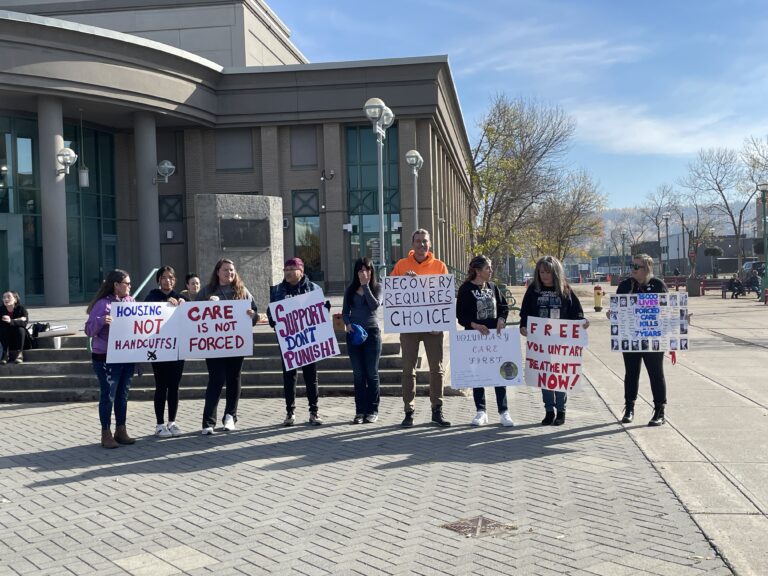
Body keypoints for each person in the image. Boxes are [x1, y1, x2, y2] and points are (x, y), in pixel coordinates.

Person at [519, 255, 589, 426]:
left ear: (555, 272)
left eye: (548, 272)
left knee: (559, 376)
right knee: (544, 377)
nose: (544, 275)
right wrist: (523, 326)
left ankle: (561, 410)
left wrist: (582, 323)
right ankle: (549, 410)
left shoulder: (565, 290)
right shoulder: (533, 290)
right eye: (541, 272)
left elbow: (577, 314)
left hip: (562, 344)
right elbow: (525, 312)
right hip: (540, 344)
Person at [391, 228, 451, 427]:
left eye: (424, 241)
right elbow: (392, 294)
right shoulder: (401, 265)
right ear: (412, 244)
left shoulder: (440, 266)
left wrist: (441, 323)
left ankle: (437, 409)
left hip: (433, 327)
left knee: (437, 369)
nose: (421, 244)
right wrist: (403, 282)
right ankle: (409, 410)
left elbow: (444, 299)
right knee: (408, 369)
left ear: (430, 244)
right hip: (409, 326)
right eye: (417, 241)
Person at [197, 258, 257, 435]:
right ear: (217, 272)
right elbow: (193, 315)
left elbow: (254, 315)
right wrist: (206, 307)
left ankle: (230, 416)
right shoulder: (207, 291)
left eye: (231, 270)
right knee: (216, 380)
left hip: (236, 344)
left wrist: (251, 315)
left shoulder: (242, 291)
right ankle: (208, 421)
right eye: (225, 270)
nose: (229, 273)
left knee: (234, 379)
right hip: (214, 345)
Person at [455, 255, 514, 427]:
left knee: (499, 374)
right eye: (488, 268)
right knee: (478, 375)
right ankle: (481, 411)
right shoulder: (465, 289)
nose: (491, 271)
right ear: (478, 271)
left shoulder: (493, 287)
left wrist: (502, 319)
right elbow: (461, 315)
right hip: (474, 338)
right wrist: (473, 324)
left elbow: (503, 307)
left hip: (494, 338)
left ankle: (504, 412)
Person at [612, 254, 669, 426]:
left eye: (637, 267)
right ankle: (629, 407)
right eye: (632, 266)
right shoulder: (624, 285)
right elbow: (617, 308)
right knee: (631, 373)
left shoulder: (658, 285)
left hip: (653, 338)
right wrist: (613, 313)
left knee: (656, 373)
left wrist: (679, 317)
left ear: (647, 268)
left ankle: (660, 410)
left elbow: (668, 308)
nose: (633, 270)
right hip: (630, 337)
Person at [268, 257, 326, 426]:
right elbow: (271, 312)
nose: (287, 273)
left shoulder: (313, 289)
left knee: (311, 376)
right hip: (288, 341)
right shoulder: (278, 290)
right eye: (285, 270)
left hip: (309, 339)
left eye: (291, 270)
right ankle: (290, 412)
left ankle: (314, 412)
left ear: (301, 272)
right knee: (289, 377)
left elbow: (320, 311)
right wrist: (273, 320)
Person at [84, 270, 136, 449]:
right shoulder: (102, 304)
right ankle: (105, 433)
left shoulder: (130, 301)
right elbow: (89, 330)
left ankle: (121, 430)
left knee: (122, 395)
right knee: (109, 395)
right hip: (105, 357)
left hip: (126, 355)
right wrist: (101, 321)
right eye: (127, 283)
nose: (130, 286)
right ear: (116, 285)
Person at [145, 266, 186, 438]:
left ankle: (172, 422)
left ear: (174, 280)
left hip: (177, 349)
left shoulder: (181, 297)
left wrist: (184, 306)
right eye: (163, 277)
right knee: (161, 385)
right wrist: (165, 305)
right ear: (158, 280)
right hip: (159, 349)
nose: (167, 280)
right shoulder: (152, 296)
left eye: (170, 277)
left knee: (174, 386)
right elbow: (147, 313)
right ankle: (160, 424)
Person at [342, 257, 382, 424]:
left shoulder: (377, 287)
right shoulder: (350, 290)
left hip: (371, 334)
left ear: (371, 271)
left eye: (366, 269)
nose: (363, 273)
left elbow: (374, 305)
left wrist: (365, 286)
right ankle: (360, 411)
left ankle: (372, 410)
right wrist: (348, 324)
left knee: (371, 373)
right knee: (358, 375)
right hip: (354, 336)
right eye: (360, 270)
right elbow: (345, 312)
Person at [1, 291, 29, 364]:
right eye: (4, 297)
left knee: (20, 329)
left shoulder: (21, 309)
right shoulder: (1, 310)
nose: (6, 299)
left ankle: (19, 353)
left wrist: (11, 321)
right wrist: (17, 320)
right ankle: (5, 354)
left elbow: (24, 323)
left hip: (19, 339)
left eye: (8, 297)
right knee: (3, 329)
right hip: (5, 339)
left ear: (15, 299)